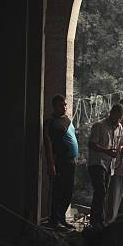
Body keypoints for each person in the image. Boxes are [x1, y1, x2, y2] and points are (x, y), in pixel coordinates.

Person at [43, 94, 79, 229]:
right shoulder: (50, 122)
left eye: (65, 104)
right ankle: (54, 220)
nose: (64, 107)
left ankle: (62, 218)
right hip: (60, 162)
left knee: (68, 191)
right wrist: (51, 164)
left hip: (71, 161)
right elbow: (48, 144)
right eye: (61, 105)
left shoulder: (66, 119)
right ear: (54, 106)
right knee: (58, 191)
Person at [88, 104, 123, 228]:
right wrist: (106, 151)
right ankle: (96, 221)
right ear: (111, 113)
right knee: (100, 191)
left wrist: (122, 150)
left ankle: (98, 220)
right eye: (117, 116)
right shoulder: (99, 126)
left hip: (110, 165)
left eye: (120, 118)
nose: (118, 120)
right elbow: (91, 144)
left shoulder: (119, 127)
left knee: (103, 193)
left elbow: (120, 144)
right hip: (97, 163)